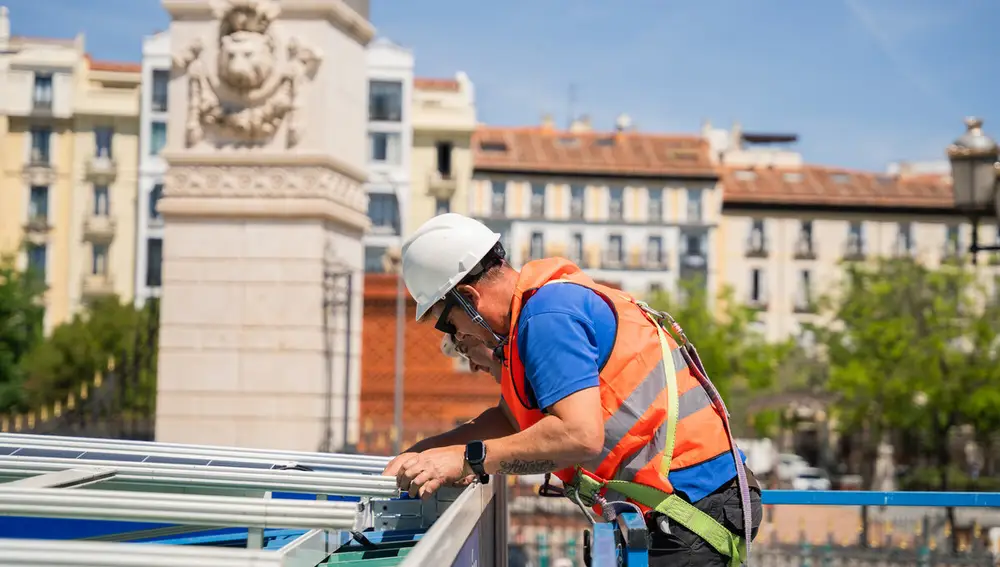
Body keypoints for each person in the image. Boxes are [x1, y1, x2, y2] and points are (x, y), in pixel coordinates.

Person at [384, 213, 762, 566]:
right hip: (686, 505)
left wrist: (468, 459)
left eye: (449, 324)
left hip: (691, 508)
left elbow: (579, 436)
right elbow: (510, 421)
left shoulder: (548, 317)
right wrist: (427, 453)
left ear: (470, 297)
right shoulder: (536, 314)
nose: (459, 337)